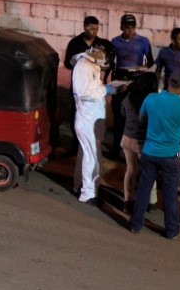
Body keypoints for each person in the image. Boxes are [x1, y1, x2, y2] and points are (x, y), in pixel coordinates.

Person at [128, 69, 180, 239]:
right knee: (170, 193)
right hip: (171, 155)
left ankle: (136, 224)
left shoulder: (151, 98)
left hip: (149, 151)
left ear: (168, 82)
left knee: (144, 188)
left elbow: (142, 119)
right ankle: (172, 230)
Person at [71, 47, 117, 205]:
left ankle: (86, 187)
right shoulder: (83, 66)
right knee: (91, 158)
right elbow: (85, 93)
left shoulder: (90, 65)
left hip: (92, 120)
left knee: (91, 156)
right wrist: (106, 89)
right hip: (87, 121)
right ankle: (88, 193)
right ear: (95, 51)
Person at [63, 16, 115, 155]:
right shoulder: (75, 43)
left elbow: (108, 63)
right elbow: (67, 63)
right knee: (77, 115)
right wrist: (83, 61)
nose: (94, 31)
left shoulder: (100, 44)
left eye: (96, 29)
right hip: (81, 85)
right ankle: (76, 146)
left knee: (94, 119)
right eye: (91, 28)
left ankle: (91, 145)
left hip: (95, 85)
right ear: (84, 27)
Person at [110, 13, 154, 159]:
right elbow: (111, 63)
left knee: (136, 115)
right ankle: (116, 147)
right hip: (120, 80)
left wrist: (142, 68)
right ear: (121, 27)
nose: (129, 30)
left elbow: (150, 62)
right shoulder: (115, 41)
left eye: (132, 27)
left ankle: (137, 150)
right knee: (118, 115)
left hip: (137, 83)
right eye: (126, 27)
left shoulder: (143, 41)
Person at [120, 72, 159, 213]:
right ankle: (151, 201)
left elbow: (123, 113)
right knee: (149, 172)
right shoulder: (152, 101)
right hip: (142, 143)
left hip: (126, 139)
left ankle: (127, 201)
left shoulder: (129, 97)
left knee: (130, 170)